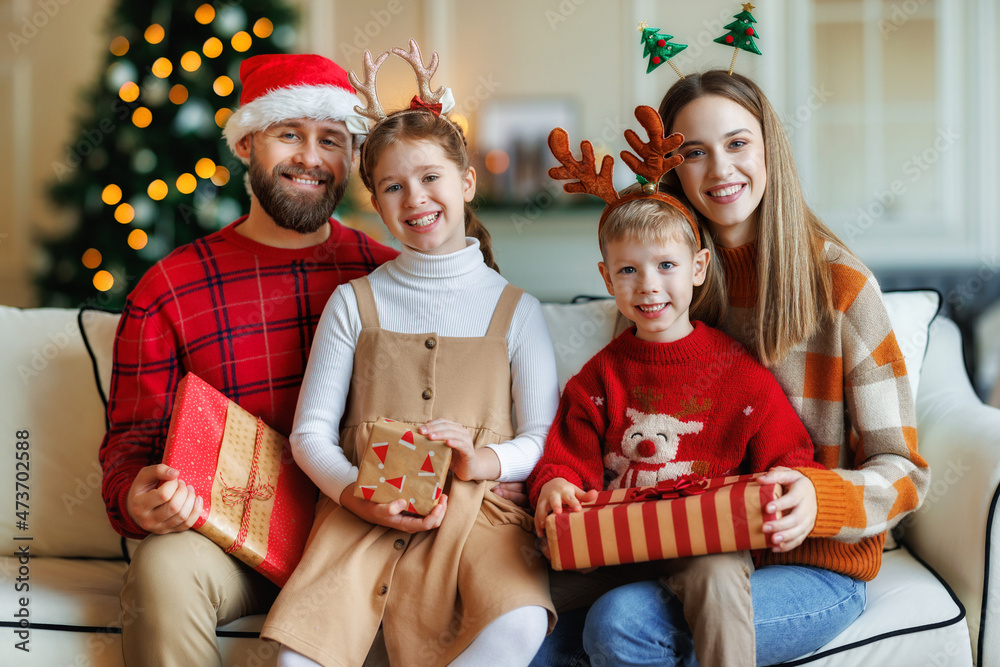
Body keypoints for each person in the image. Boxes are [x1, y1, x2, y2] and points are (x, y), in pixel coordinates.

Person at [575, 70, 932, 665]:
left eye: (738, 143)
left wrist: (822, 499)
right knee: (542, 624)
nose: (720, 170)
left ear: (769, 150)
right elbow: (615, 426)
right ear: (671, 167)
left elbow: (905, 473)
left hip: (813, 565)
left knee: (620, 626)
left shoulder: (842, 287)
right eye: (695, 151)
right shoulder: (658, 283)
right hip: (685, 550)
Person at [260, 42, 560, 667]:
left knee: (522, 621)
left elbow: (540, 434)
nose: (415, 198)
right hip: (362, 519)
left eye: (431, 178)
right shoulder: (352, 302)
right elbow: (310, 432)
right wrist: (352, 494)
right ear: (375, 201)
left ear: (466, 181)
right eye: (393, 186)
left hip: (480, 521)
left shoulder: (517, 311)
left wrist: (486, 460)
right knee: (299, 656)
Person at [98, 53, 399, 667]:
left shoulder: (387, 276)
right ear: (245, 144)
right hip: (233, 546)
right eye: (289, 134)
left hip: (363, 539)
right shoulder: (168, 291)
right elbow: (128, 447)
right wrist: (137, 495)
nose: (311, 159)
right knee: (163, 567)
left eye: (331, 140)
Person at [528, 173, 824, 666]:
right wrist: (554, 485)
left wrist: (793, 484)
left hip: (704, 539)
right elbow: (566, 459)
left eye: (666, 265)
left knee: (718, 573)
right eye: (628, 270)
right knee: (521, 593)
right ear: (606, 278)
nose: (648, 286)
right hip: (617, 541)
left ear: (698, 268)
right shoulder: (599, 377)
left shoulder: (739, 373)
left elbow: (790, 456)